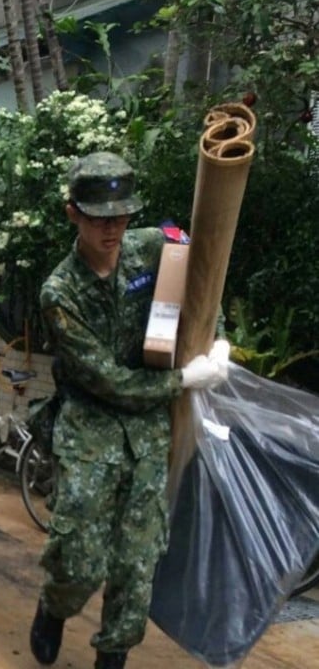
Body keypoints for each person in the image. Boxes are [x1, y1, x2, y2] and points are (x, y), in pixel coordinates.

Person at [31, 151, 230, 669]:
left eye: (122, 215)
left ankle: (114, 654)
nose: (114, 228)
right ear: (73, 212)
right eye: (101, 218)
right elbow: (109, 381)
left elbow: (202, 279)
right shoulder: (60, 292)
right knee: (78, 556)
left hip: (147, 435)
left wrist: (220, 339)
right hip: (90, 427)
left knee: (136, 560)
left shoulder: (153, 248)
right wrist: (184, 379)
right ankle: (54, 605)